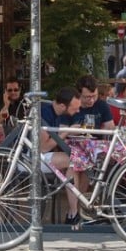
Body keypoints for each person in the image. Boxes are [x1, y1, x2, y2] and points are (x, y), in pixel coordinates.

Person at [38, 87, 82, 225]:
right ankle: (73, 213)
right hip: (32, 158)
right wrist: (67, 131)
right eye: (75, 108)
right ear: (63, 106)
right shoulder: (45, 113)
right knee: (73, 161)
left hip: (43, 156)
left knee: (75, 162)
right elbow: (44, 147)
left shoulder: (57, 113)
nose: (78, 111)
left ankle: (73, 212)